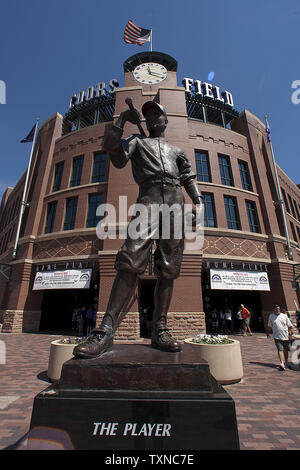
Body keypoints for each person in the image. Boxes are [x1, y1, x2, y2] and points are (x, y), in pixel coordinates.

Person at [73, 100, 204, 359]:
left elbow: (188, 177)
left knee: (169, 267)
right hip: (149, 199)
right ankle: (107, 330)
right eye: (149, 114)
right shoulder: (137, 141)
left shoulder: (177, 151)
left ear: (166, 121)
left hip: (176, 203)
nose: (153, 117)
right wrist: (121, 120)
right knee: (130, 260)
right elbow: (115, 154)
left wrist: (198, 202)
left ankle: (161, 329)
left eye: (158, 113)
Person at [266, 304, 294, 371]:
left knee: (286, 350)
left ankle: (286, 362)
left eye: (278, 309)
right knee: (280, 349)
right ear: (274, 310)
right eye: (276, 309)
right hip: (276, 336)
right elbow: (270, 326)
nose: (277, 310)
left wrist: (289, 333)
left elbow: (290, 326)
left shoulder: (284, 316)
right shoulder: (271, 316)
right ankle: (282, 363)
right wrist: (268, 332)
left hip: (285, 336)